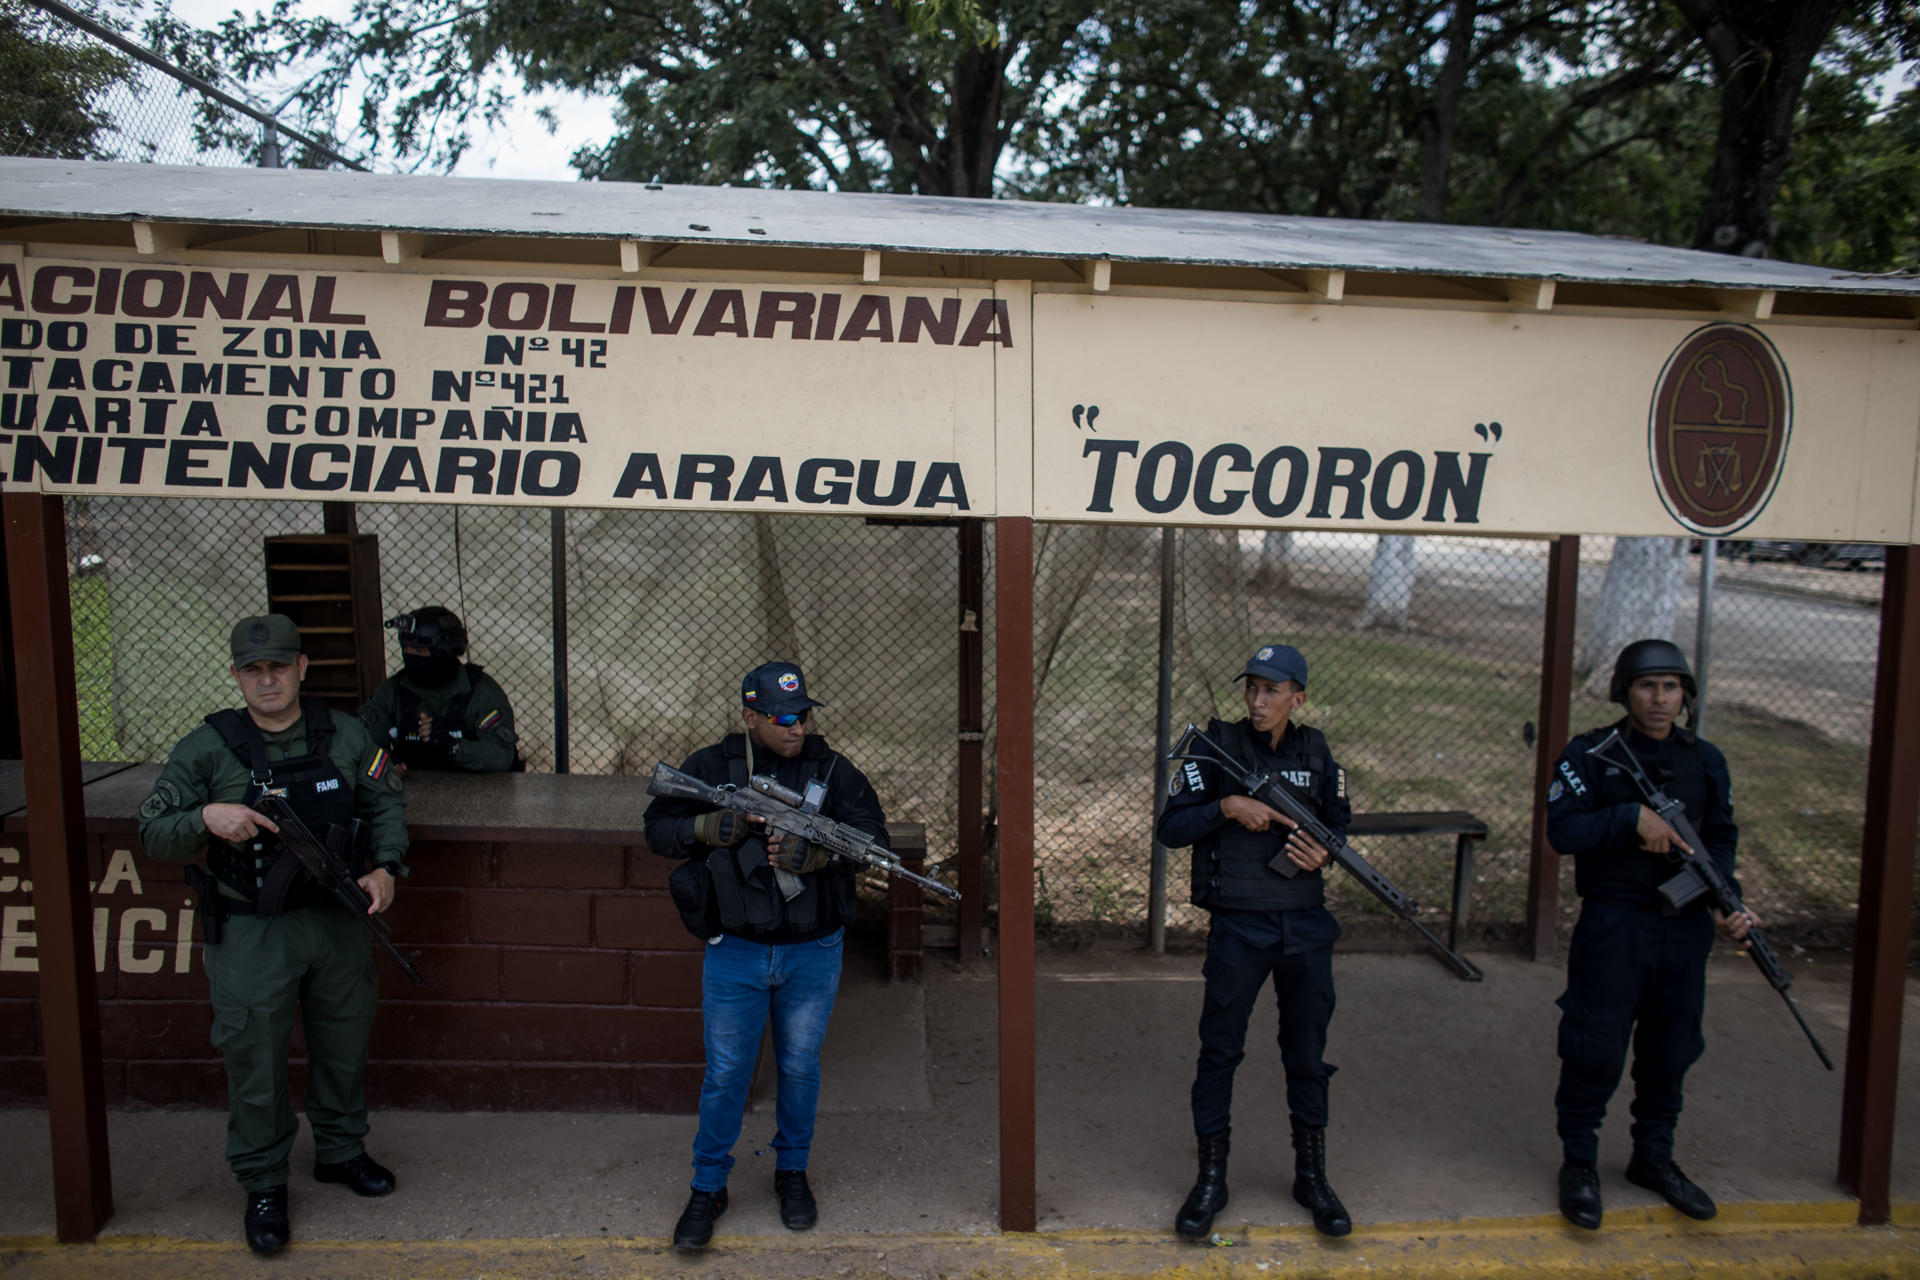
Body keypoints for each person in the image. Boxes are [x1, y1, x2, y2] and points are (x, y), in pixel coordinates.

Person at [136, 614, 409, 1256]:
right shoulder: (207, 748)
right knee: (255, 1058)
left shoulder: (344, 734)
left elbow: (386, 804)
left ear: (301, 668)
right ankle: (263, 1183)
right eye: (253, 670)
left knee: (343, 1042)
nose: (267, 680)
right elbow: (152, 829)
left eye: (279, 667)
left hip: (336, 922)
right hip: (251, 930)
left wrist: (385, 867)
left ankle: (341, 1152)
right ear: (236, 675)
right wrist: (206, 814)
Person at [642, 661, 888, 1252]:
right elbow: (657, 829)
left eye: (803, 714)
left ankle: (791, 1173)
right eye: (783, 717)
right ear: (750, 716)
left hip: (813, 950)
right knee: (727, 1073)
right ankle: (708, 1187)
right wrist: (710, 825)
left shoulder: (833, 770)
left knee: (799, 1068)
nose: (797, 726)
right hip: (736, 951)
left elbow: (873, 839)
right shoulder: (711, 767)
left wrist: (820, 858)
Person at [1547, 638, 1755, 1230]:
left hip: (1685, 930)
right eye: (1647, 686)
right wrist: (1629, 818)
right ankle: (1580, 1164)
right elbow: (1563, 831)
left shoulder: (1706, 760)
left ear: (1685, 694)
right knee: (1595, 1046)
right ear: (1625, 692)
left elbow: (1721, 837)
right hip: (1616, 923)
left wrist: (1729, 900)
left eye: (1671, 687)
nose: (1660, 698)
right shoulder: (1591, 754)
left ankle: (1654, 1158)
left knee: (1671, 1049)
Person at [1156, 643, 1353, 1241]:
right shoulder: (1214, 749)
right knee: (1220, 1050)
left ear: (1299, 697)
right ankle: (1211, 1178)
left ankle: (1312, 1176)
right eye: (1252, 689)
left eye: (1273, 691)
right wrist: (1226, 805)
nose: (1259, 700)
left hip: (1305, 925)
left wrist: (1326, 849)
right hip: (1240, 926)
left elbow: (1339, 824)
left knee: (1307, 1054)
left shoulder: (1317, 752)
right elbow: (1170, 828)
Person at [358, 605, 523, 773]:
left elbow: (501, 757)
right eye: (405, 648)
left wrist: (452, 745)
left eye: (418, 650)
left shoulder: (480, 692)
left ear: (444, 652)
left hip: (479, 793)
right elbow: (361, 744)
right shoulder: (392, 691)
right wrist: (386, 762)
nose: (409, 655)